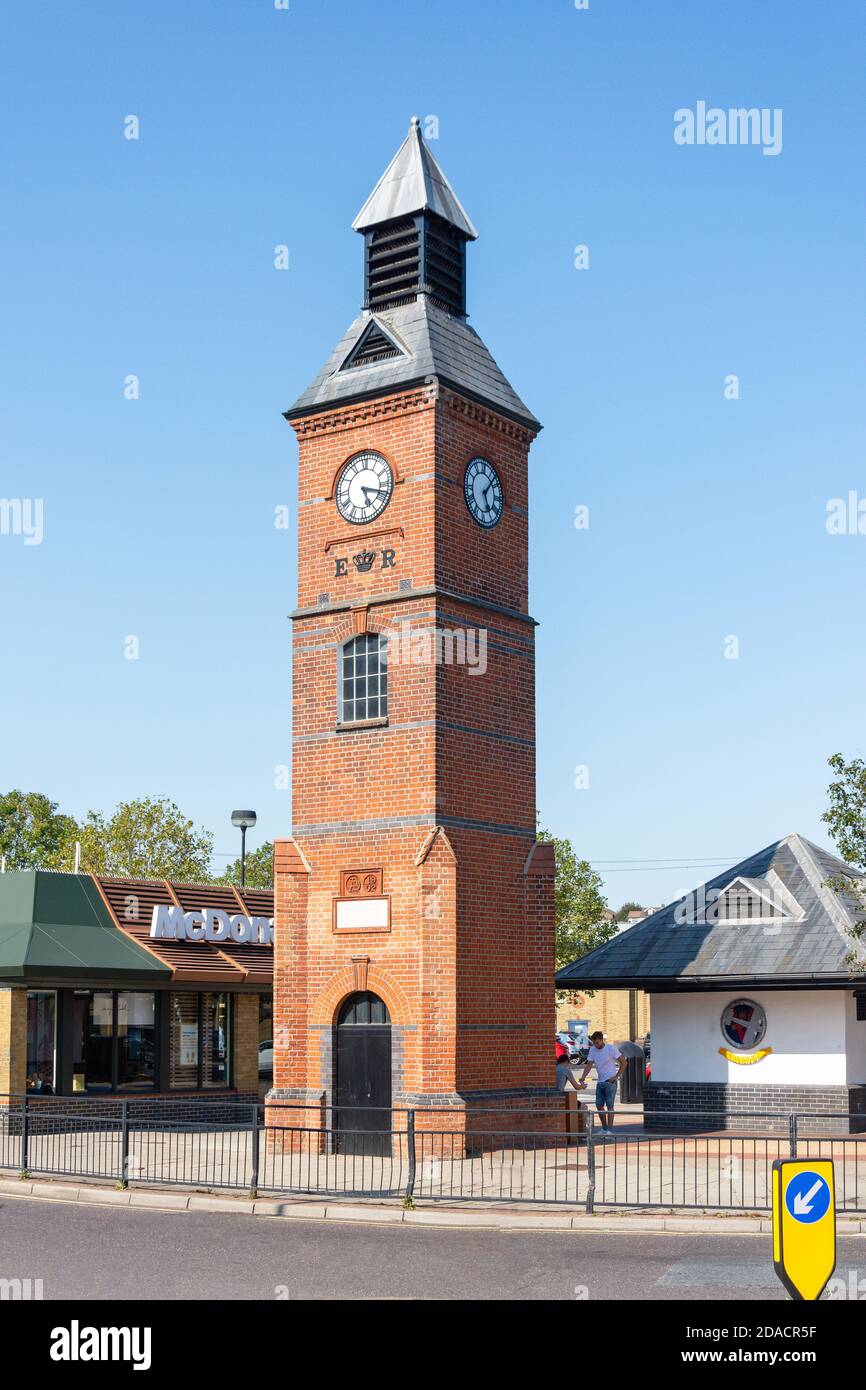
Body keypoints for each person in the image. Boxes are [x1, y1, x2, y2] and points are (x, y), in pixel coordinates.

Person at [577, 1030, 624, 1136]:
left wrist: (616, 1076)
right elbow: (589, 1065)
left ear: (602, 1040)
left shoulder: (610, 1048)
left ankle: (610, 1130)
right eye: (594, 1043)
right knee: (599, 1105)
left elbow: (624, 1062)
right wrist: (583, 1076)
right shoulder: (593, 1050)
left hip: (610, 1082)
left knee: (610, 1106)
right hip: (600, 1081)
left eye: (597, 1043)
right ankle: (604, 1128)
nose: (596, 1045)